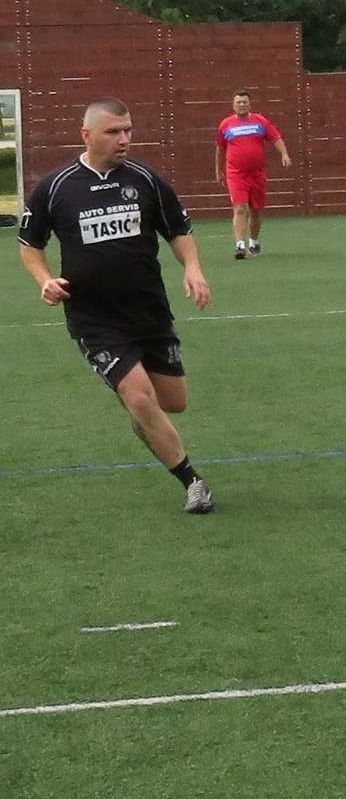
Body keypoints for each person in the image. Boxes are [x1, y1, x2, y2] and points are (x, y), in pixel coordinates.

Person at [18, 98, 215, 514]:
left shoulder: (146, 180)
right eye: (113, 132)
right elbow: (30, 245)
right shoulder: (56, 187)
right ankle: (193, 483)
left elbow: (178, 232)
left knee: (173, 402)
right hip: (94, 319)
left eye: (128, 130)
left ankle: (145, 422)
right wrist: (45, 280)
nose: (124, 139)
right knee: (140, 398)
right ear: (86, 135)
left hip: (148, 311)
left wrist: (193, 268)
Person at [215, 90, 292, 260]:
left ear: (250, 105)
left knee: (256, 210)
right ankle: (239, 245)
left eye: (244, 102)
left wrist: (284, 154)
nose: (241, 105)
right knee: (240, 208)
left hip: (257, 174)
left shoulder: (260, 121)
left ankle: (253, 241)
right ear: (233, 105)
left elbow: (276, 139)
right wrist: (218, 170)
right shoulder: (226, 125)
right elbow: (220, 149)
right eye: (238, 102)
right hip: (236, 174)